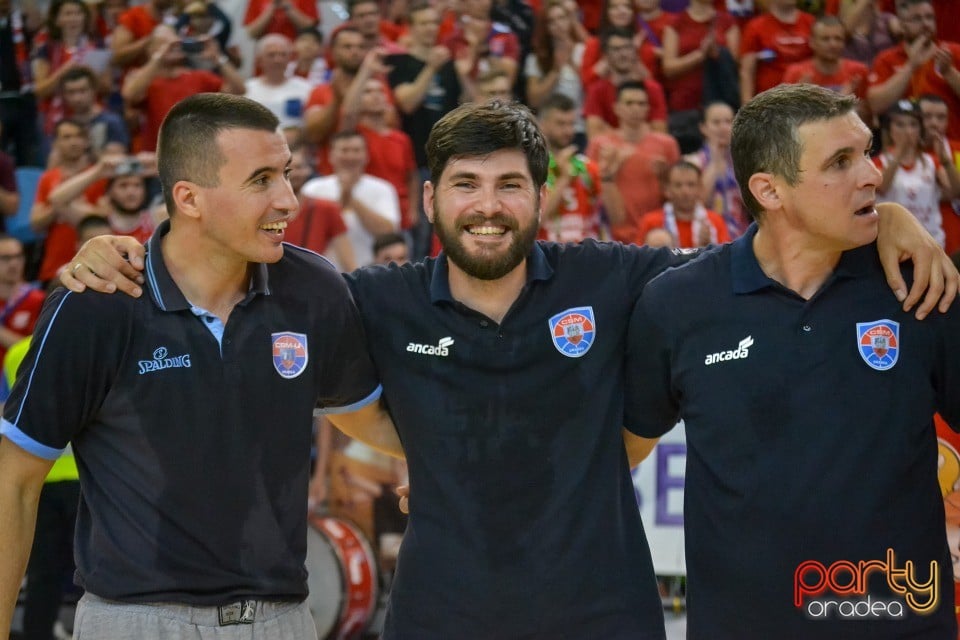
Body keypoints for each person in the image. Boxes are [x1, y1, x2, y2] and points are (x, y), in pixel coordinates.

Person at [61, 100, 960, 639]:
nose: (487, 207)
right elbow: (322, 373)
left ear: (545, 196)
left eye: (509, 186)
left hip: (607, 619)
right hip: (440, 618)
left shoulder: (622, 280)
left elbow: (772, 241)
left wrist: (889, 221)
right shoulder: (371, 299)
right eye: (465, 185)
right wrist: (117, 248)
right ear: (429, 200)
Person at [0, 93, 401, 639]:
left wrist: (439, 462)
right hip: (137, 621)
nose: (288, 199)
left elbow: (363, 416)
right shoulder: (97, 300)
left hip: (283, 621)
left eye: (285, 174)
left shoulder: (315, 289)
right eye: (261, 180)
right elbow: (15, 482)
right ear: (189, 198)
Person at [624, 83, 960, 639]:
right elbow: (618, 454)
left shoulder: (920, 286)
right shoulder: (679, 305)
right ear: (769, 190)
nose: (873, 175)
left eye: (867, 152)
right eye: (841, 161)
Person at [867, 0, 960, 141]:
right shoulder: (887, 59)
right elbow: (875, 105)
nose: (925, 24)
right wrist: (911, 66)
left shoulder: (953, 52)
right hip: (903, 152)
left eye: (929, 17)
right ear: (902, 26)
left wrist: (949, 72)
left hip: (953, 147)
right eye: (917, 19)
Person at [636, 160, 731, 248]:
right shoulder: (650, 222)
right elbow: (638, 260)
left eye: (691, 185)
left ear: (700, 188)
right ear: (667, 190)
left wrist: (709, 248)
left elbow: (728, 259)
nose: (685, 191)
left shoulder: (715, 222)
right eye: (678, 185)